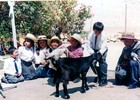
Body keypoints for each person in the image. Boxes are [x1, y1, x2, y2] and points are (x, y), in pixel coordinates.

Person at [88, 22, 108, 86]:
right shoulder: (90, 35)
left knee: (102, 63)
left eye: (99, 32)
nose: (98, 33)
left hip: (102, 50)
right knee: (92, 63)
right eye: (96, 31)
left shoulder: (104, 36)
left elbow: (104, 46)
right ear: (93, 29)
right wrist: (93, 52)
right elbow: (88, 45)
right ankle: (99, 75)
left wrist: (99, 53)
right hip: (93, 50)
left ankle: (103, 79)